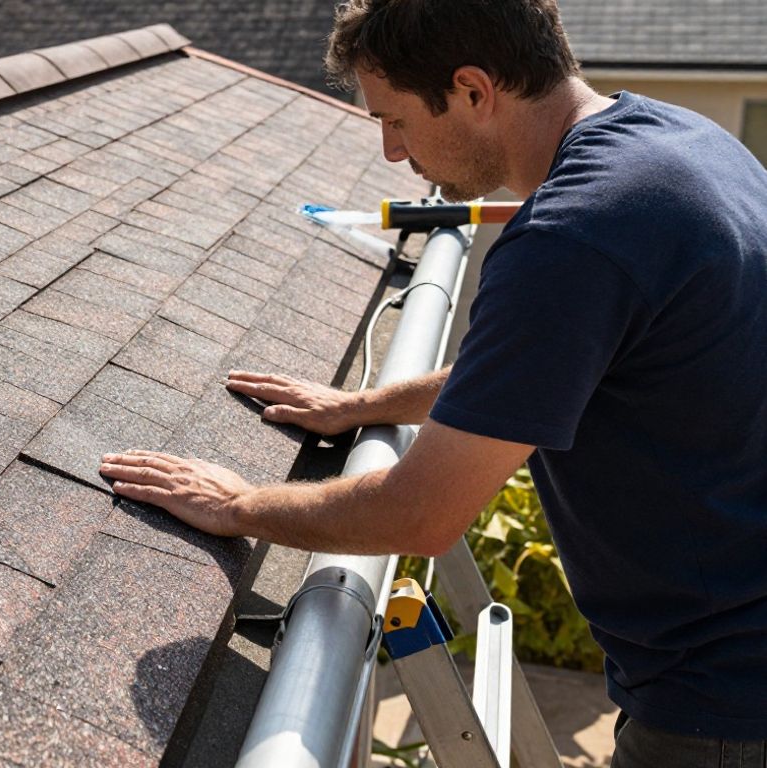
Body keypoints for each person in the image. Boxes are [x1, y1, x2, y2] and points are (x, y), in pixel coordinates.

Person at [99, 0, 767, 764]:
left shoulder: (574, 237)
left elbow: (420, 513)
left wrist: (238, 505)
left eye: (397, 121)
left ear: (475, 91)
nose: (390, 153)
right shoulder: (679, 145)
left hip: (725, 701)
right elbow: (536, 367)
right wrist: (362, 406)